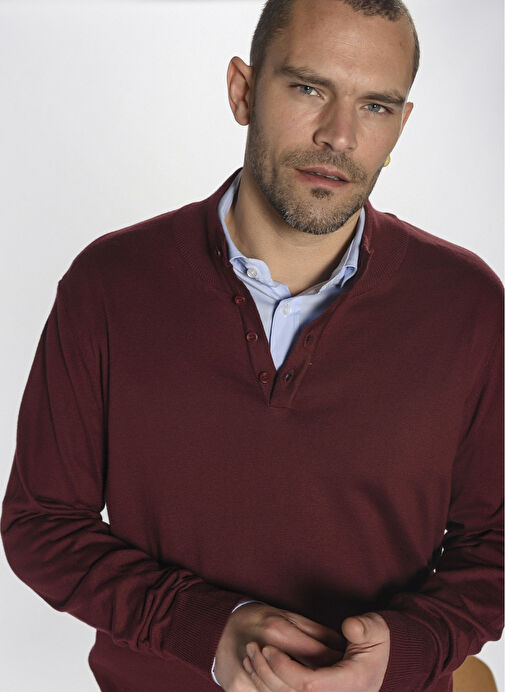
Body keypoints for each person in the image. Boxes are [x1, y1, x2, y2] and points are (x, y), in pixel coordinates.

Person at [1, 0, 503, 690]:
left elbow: (495, 542)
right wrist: (208, 628)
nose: (339, 135)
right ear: (243, 91)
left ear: (400, 125)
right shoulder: (109, 285)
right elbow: (43, 523)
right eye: (308, 89)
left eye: (375, 107)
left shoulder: (467, 304)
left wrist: (405, 650)